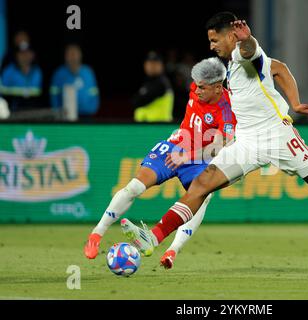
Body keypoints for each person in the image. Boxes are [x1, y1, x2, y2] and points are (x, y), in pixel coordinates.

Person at [120, 12, 308, 259]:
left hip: (277, 136)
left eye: (214, 40)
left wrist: (248, 40)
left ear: (230, 36)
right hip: (247, 140)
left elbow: (252, 51)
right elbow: (280, 69)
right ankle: (154, 237)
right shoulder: (231, 65)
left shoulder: (245, 56)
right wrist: (294, 102)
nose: (211, 46)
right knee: (202, 184)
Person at [84, 57, 237, 269]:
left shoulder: (227, 109)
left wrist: (188, 156)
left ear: (218, 88)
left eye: (202, 87)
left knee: (203, 196)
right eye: (197, 85)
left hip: (197, 159)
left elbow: (220, 147)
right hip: (175, 146)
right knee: (135, 186)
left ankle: (172, 250)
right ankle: (96, 234)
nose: (197, 90)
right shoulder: (197, 85)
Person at [50, 44, 99, 118]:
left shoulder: (88, 72)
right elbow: (53, 95)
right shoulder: (59, 73)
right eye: (70, 54)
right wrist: (57, 112)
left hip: (86, 115)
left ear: (80, 55)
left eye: (75, 54)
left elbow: (94, 93)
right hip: (65, 116)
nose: (73, 57)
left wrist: (92, 109)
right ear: (65, 57)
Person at [132, 51, 174, 122]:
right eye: (149, 63)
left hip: (159, 126)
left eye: (155, 63)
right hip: (147, 126)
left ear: (161, 65)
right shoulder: (148, 81)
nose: (152, 66)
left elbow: (137, 101)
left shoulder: (162, 82)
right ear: (145, 65)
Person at [0, 42, 42, 111]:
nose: (24, 56)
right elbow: (3, 96)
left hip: (33, 110)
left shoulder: (37, 71)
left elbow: (37, 95)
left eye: (27, 53)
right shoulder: (8, 71)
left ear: (32, 55)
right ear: (16, 56)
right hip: (12, 110)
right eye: (21, 53)